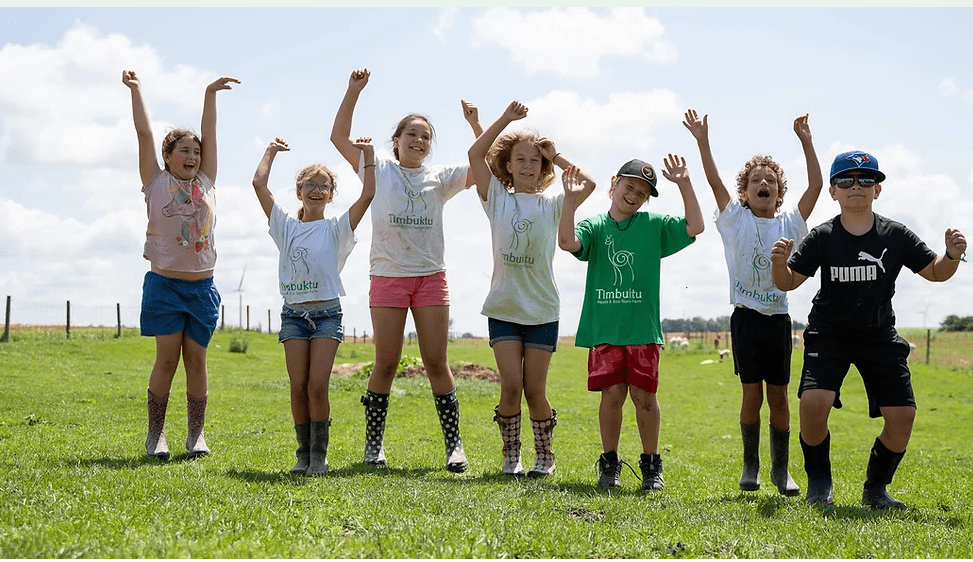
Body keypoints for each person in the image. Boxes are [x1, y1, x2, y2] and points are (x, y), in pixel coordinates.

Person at [771, 150, 966, 508]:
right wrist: (778, 264)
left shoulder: (895, 234)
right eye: (846, 180)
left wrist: (951, 255)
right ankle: (819, 483)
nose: (856, 186)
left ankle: (876, 489)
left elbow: (935, 272)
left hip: (879, 336)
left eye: (866, 179)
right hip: (829, 334)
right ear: (833, 191)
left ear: (878, 189)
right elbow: (788, 283)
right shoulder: (822, 236)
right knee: (814, 403)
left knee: (903, 417)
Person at [330, 68, 483, 472]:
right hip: (388, 276)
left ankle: (455, 447)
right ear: (395, 141)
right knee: (386, 362)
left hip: (431, 276)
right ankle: (373, 447)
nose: (418, 140)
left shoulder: (442, 177)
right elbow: (338, 138)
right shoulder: (376, 167)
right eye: (411, 134)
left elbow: (484, 167)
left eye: (425, 136)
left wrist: (476, 125)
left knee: (437, 362)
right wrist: (353, 91)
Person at [683, 109, 823, 496]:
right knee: (751, 394)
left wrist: (806, 141)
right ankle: (751, 464)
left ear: (779, 193)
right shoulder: (735, 220)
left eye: (772, 181)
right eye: (756, 181)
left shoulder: (790, 224)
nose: (764, 184)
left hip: (777, 321)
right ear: (744, 193)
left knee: (778, 395)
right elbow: (713, 182)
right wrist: (702, 141)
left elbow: (815, 187)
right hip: (745, 321)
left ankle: (782, 470)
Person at [558, 155, 704, 490]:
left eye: (642, 192)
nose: (634, 195)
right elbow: (567, 243)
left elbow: (695, 227)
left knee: (645, 397)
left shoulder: (654, 225)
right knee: (611, 396)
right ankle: (610, 465)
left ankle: (651, 466)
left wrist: (684, 184)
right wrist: (570, 199)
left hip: (643, 330)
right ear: (614, 183)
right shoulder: (594, 226)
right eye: (630, 186)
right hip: (605, 329)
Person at [468, 100, 596, 478]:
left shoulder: (555, 204)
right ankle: (511, 455)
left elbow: (587, 183)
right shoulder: (496, 199)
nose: (527, 166)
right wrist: (505, 119)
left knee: (534, 390)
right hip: (504, 308)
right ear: (508, 165)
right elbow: (475, 153)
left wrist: (554, 155)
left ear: (543, 170)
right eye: (520, 159)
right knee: (510, 386)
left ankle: (546, 455)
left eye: (534, 161)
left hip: (542, 310)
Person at [122, 69, 239, 460]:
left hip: (202, 289)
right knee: (167, 359)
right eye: (184, 151)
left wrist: (210, 94)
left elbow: (214, 134)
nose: (193, 156)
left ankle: (196, 435)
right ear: (168, 157)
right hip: (164, 287)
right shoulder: (156, 183)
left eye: (196, 151)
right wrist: (137, 90)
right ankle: (156, 435)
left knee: (196, 361)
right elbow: (142, 135)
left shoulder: (206, 182)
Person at [251, 136, 376, 476]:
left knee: (317, 386)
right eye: (310, 185)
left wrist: (368, 154)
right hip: (293, 315)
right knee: (297, 386)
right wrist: (271, 151)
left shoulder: (337, 229)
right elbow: (258, 183)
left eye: (324, 187)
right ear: (299, 191)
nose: (317, 190)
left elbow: (367, 194)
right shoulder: (286, 227)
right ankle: (303, 454)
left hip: (326, 316)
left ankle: (319, 457)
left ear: (332, 194)